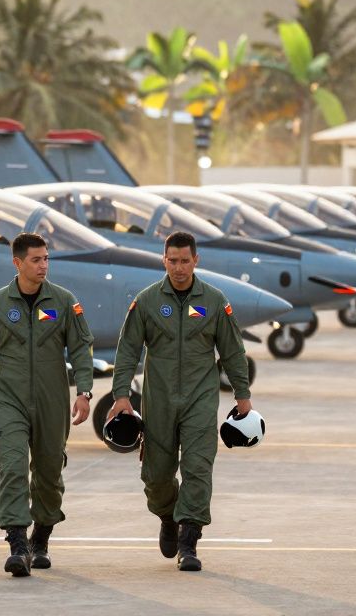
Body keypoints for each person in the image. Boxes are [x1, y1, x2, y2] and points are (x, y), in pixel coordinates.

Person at [108, 231, 252, 572]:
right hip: (157, 400)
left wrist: (243, 396)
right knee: (156, 475)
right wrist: (121, 395)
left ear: (196, 261)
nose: (179, 267)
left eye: (185, 260)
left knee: (198, 467)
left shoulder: (215, 301)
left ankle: (189, 541)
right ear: (164, 260)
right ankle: (168, 516)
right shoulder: (145, 301)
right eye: (172, 260)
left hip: (200, 398)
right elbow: (128, 349)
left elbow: (232, 351)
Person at [0, 232, 95, 577]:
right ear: (18, 263)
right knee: (14, 467)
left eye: (46, 259)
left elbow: (81, 348)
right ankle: (17, 545)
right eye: (36, 260)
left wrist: (85, 391)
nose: (43, 266)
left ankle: (42, 537)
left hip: (53, 400)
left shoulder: (64, 302)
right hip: (11, 398)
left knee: (49, 473)